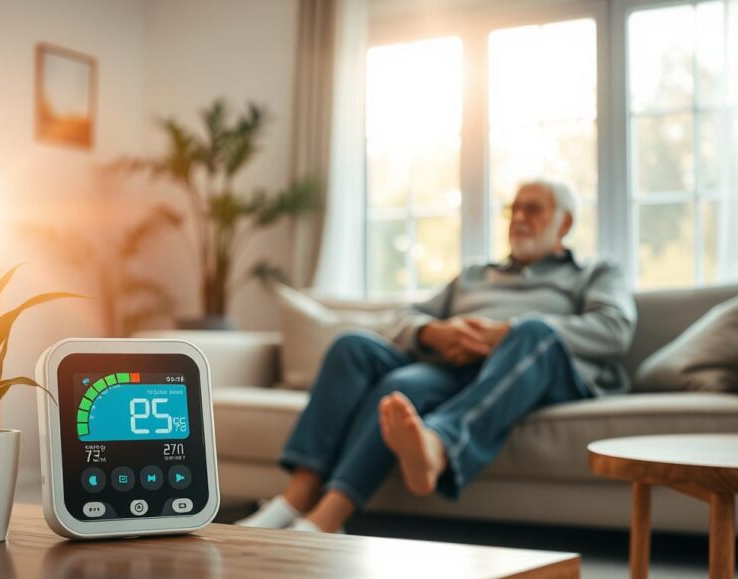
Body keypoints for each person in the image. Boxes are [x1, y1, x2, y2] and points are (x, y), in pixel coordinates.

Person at [237, 179, 636, 533]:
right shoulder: (475, 275)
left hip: (535, 371)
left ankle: (437, 446)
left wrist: (506, 332)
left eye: (533, 209)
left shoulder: (594, 272)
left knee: (533, 331)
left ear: (565, 223)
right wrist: (433, 333)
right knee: (360, 354)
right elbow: (401, 317)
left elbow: (615, 327)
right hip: (456, 370)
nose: (518, 218)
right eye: (513, 209)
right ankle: (299, 499)